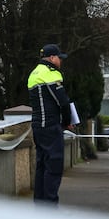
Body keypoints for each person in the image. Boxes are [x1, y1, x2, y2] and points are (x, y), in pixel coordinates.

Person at [28, 43, 74, 205]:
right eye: (59, 58)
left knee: (41, 165)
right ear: (52, 58)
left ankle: (40, 204)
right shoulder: (50, 73)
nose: (61, 61)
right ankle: (50, 205)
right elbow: (63, 102)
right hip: (50, 125)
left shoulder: (34, 72)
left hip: (37, 125)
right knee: (54, 165)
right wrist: (67, 122)